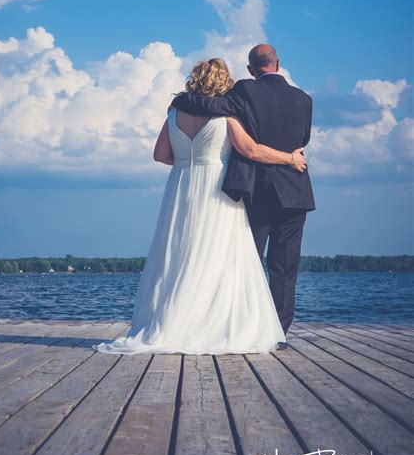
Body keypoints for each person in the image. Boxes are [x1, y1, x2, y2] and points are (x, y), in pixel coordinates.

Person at [93, 57, 306, 356]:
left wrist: (186, 163)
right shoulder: (227, 116)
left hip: (181, 186)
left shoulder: (174, 115)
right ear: (224, 82)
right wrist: (291, 159)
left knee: (179, 254)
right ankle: (210, 323)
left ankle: (172, 320)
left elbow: (160, 155)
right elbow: (251, 150)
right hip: (215, 187)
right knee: (217, 256)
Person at [169, 45, 315, 343]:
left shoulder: (245, 90)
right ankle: (278, 334)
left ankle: (242, 326)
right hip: (294, 188)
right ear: (279, 63)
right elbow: (303, 140)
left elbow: (211, 107)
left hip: (255, 188)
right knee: (284, 269)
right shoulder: (304, 99)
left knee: (245, 263)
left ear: (250, 69)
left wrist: (181, 100)